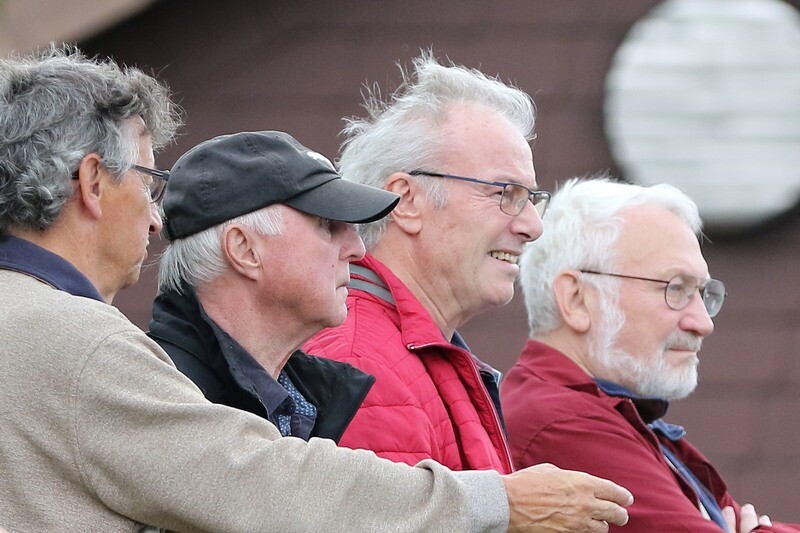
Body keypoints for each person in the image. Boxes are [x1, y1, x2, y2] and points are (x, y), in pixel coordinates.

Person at [0, 45, 633, 532]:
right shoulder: (77, 342)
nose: (154, 216)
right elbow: (256, 484)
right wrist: (499, 503)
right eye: (147, 180)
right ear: (92, 182)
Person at [502, 177, 800, 532]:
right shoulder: (561, 425)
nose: (703, 323)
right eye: (676, 288)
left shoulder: (617, 415)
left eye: (703, 293)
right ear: (577, 299)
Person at [304, 52, 549, 474]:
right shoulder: (361, 364)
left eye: (531, 199)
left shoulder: (409, 353)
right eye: (505, 194)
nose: (533, 226)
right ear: (405, 200)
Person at [148, 130, 391, 443]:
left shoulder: (302, 402)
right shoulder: (165, 399)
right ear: (244, 250)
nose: (357, 248)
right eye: (326, 224)